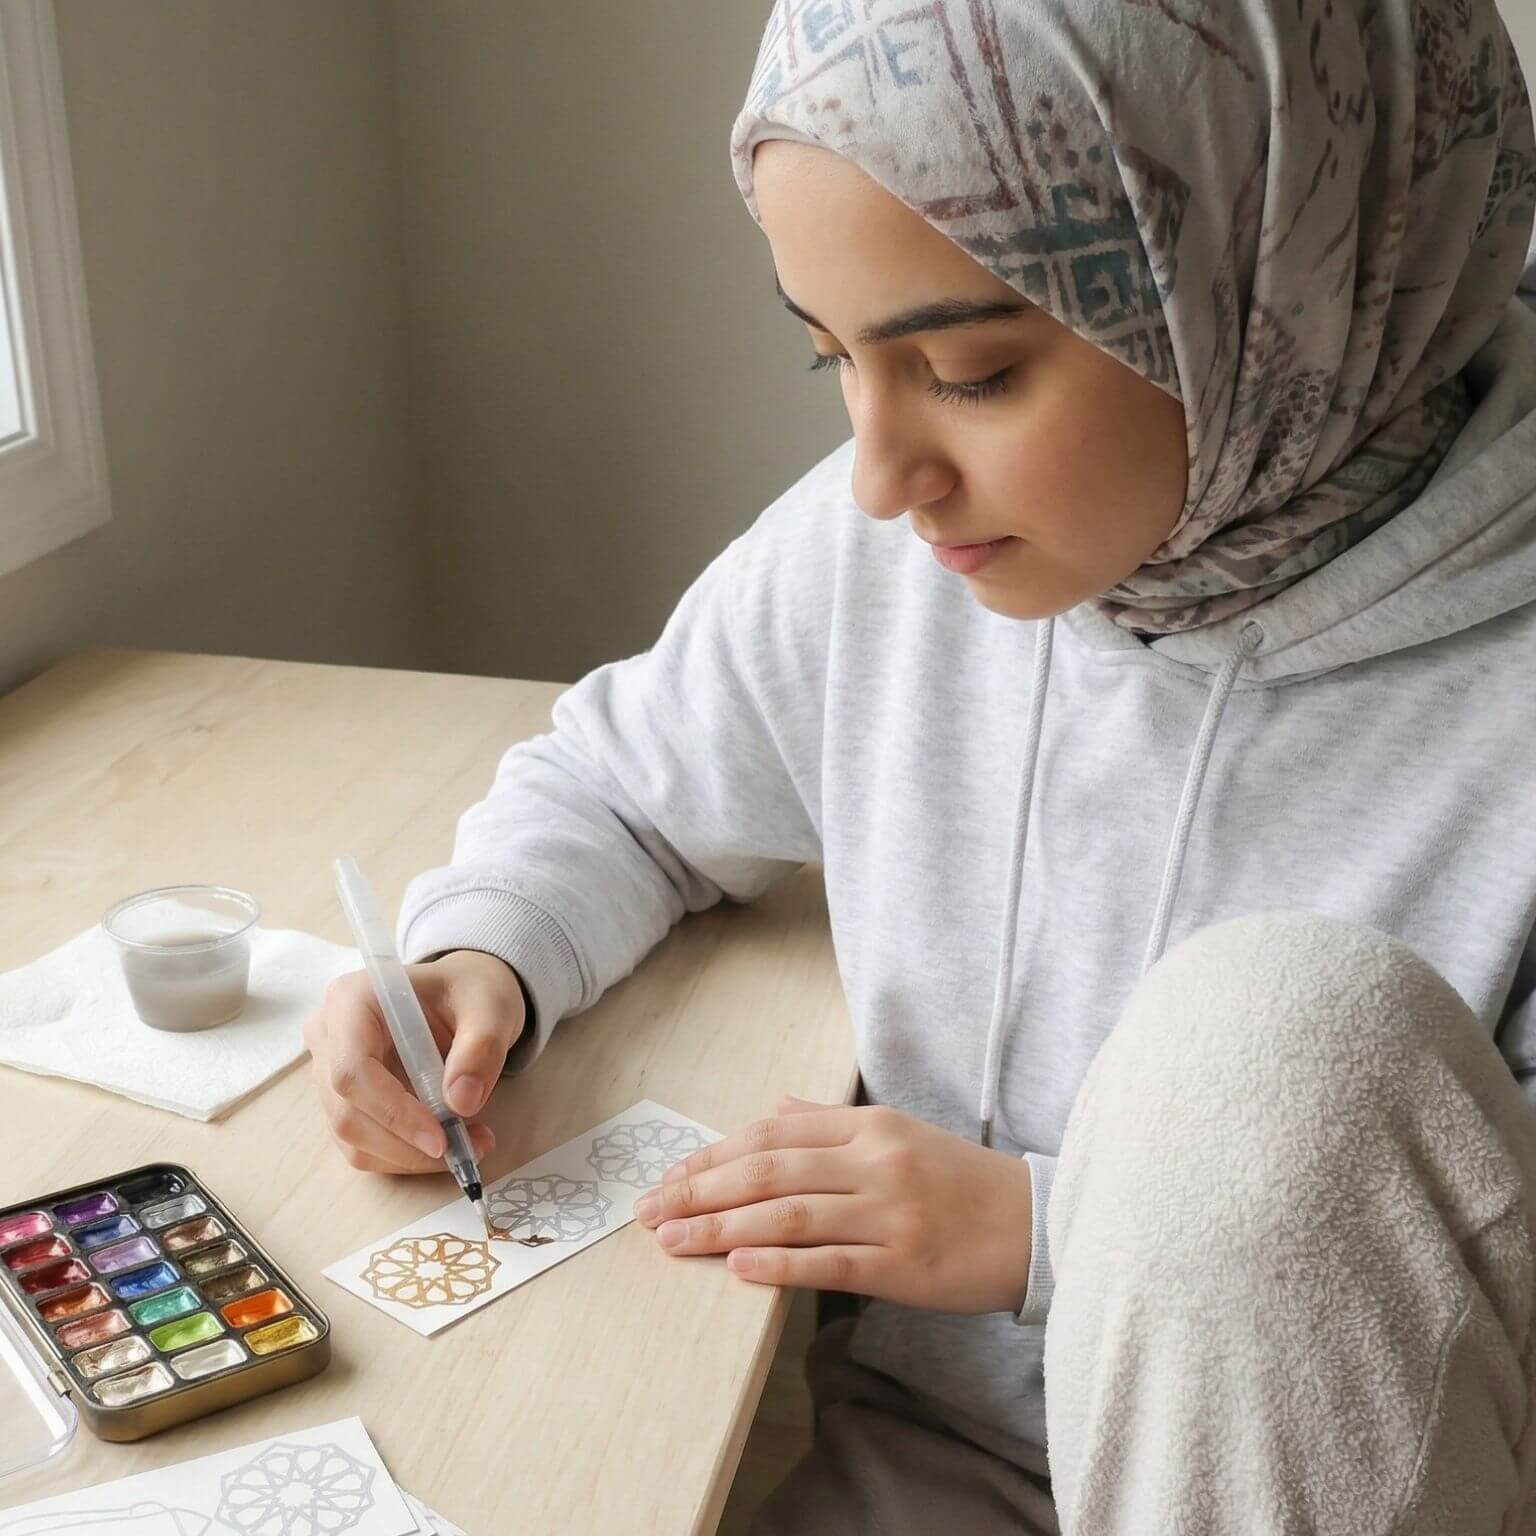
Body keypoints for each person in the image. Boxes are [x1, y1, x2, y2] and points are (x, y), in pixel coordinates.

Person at [303, 1, 1536, 1528]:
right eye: (829, 355)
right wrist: (484, 949)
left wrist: (1050, 1235)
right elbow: (621, 781)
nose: (883, 478)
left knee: (1284, 1037)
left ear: (1275, 286)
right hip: (925, 1482)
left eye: (967, 370)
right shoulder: (893, 560)